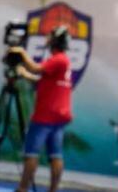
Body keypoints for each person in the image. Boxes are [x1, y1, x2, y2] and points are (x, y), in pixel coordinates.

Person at [10, 26, 73, 192]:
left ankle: (23, 188)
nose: (47, 39)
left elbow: (36, 69)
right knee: (55, 155)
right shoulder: (63, 61)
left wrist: (21, 53)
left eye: (50, 36)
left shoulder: (58, 59)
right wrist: (24, 74)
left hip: (45, 115)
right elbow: (41, 80)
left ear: (55, 41)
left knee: (31, 153)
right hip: (59, 115)